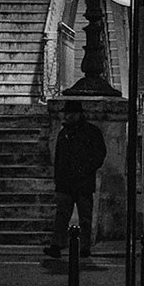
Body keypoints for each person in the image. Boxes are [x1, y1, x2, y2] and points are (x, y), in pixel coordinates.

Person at [46, 100, 104, 260]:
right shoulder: (64, 133)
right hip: (66, 182)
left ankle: (84, 247)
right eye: (66, 113)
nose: (67, 116)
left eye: (70, 113)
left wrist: (86, 168)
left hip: (83, 181)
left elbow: (99, 154)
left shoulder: (90, 132)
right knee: (62, 215)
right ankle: (57, 245)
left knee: (85, 217)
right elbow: (59, 158)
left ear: (78, 114)